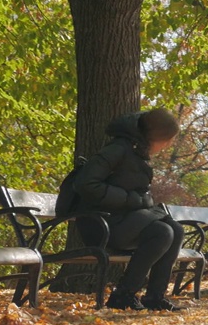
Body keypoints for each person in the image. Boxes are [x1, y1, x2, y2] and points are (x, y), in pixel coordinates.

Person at [72, 107, 183, 311]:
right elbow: (85, 184)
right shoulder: (117, 149)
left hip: (122, 220)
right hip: (100, 223)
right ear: (156, 137)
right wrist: (130, 198)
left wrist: (141, 200)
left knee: (175, 230)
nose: (168, 146)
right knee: (162, 232)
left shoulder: (136, 151)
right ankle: (123, 294)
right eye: (167, 140)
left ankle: (155, 297)